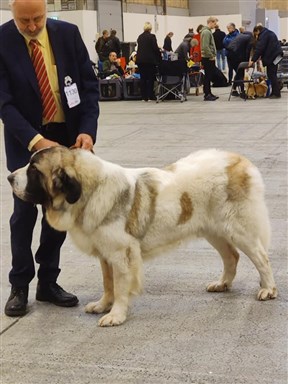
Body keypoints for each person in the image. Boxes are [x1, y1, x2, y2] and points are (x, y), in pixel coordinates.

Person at [0, 0, 99, 317]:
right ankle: (19, 285)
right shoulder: (2, 40)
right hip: (25, 139)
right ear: (13, 14)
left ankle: (48, 282)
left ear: (46, 11)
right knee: (23, 216)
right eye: (23, 21)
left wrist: (87, 131)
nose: (31, 26)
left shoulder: (68, 34)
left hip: (65, 138)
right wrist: (35, 141)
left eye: (37, 19)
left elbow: (88, 87)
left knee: (58, 215)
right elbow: (4, 104)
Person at [249, 25, 283, 99]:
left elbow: (260, 48)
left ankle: (276, 94)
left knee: (272, 74)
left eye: (256, 34)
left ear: (258, 30)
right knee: (272, 74)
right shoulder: (269, 33)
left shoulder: (263, 35)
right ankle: (274, 92)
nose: (257, 36)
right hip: (277, 56)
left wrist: (253, 60)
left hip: (273, 57)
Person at [136, 21, 161, 101]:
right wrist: (159, 57)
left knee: (143, 78)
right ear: (150, 29)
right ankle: (150, 95)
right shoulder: (152, 36)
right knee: (150, 78)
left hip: (140, 60)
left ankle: (144, 96)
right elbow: (155, 48)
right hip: (150, 61)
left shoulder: (140, 37)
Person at [227, 31, 254, 98]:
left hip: (229, 55)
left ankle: (234, 89)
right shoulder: (250, 38)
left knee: (238, 73)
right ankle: (242, 92)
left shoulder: (239, 36)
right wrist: (247, 63)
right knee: (241, 73)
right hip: (237, 56)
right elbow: (247, 51)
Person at [200, 16, 219, 101]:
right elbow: (205, 46)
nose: (215, 25)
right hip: (208, 58)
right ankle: (207, 94)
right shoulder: (206, 32)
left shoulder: (207, 32)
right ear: (210, 22)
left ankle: (209, 93)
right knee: (208, 76)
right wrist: (211, 55)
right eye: (214, 23)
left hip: (208, 57)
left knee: (209, 76)